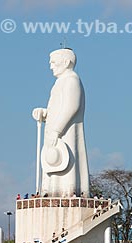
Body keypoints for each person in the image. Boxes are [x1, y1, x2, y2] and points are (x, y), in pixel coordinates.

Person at [32, 48, 90, 198]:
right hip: (55, 132)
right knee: (55, 164)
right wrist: (44, 113)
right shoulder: (60, 82)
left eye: (53, 62)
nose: (51, 66)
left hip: (65, 132)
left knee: (66, 164)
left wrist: (56, 130)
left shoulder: (71, 80)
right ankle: (52, 191)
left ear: (66, 62)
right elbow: (58, 107)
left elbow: (72, 106)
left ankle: (67, 192)